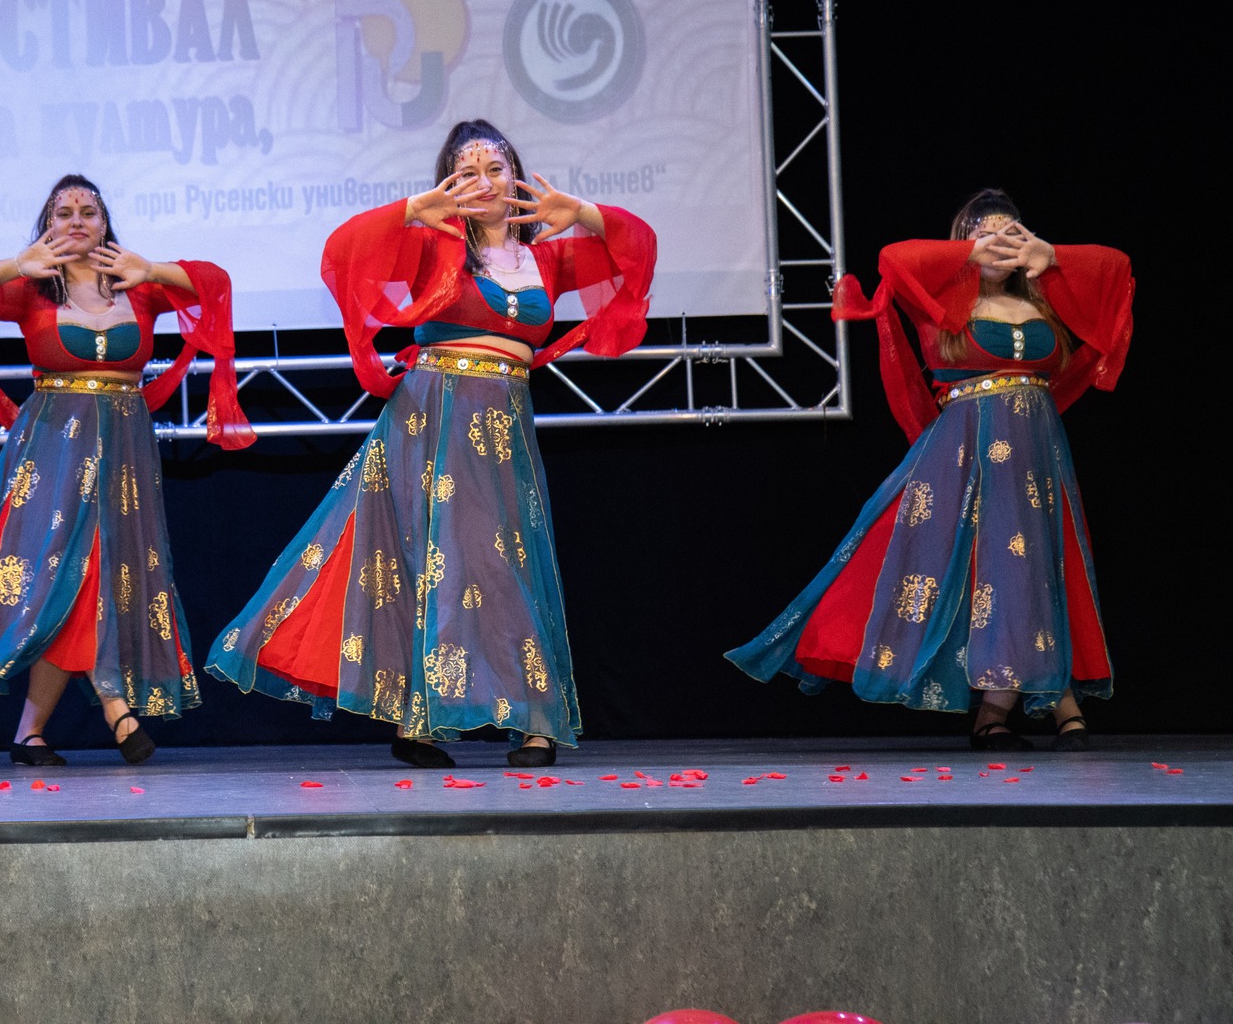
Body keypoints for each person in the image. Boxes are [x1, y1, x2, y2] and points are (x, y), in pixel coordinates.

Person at [207, 120, 655, 767]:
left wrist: (582, 212)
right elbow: (342, 252)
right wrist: (415, 209)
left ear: (516, 176)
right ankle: (426, 721)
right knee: (424, 559)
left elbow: (637, 248)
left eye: (495, 168)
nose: (484, 182)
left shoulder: (549, 259)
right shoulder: (431, 247)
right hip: (431, 416)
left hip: (501, 428)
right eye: (467, 172)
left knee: (502, 563)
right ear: (449, 183)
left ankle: (526, 719)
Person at [726, 190, 1134, 750]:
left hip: (1036, 460)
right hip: (965, 456)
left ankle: (1011, 708)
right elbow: (893, 258)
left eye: (1012, 233)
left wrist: (1052, 255)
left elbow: (1117, 269)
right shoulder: (939, 303)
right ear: (962, 243)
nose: (1001, 243)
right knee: (976, 571)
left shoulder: (1043, 299)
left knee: (1038, 568)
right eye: (985, 233)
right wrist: (970, 254)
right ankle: (1035, 709)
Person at [0, 175, 253, 764]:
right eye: (62, 212)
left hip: (122, 452)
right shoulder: (30, 289)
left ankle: (29, 733)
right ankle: (116, 709)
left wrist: (154, 269)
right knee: (67, 574)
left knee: (99, 578)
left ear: (104, 223)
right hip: (53, 453)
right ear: (47, 225)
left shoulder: (137, 286)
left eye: (88, 211)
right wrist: (17, 262)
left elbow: (214, 283)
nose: (75, 221)